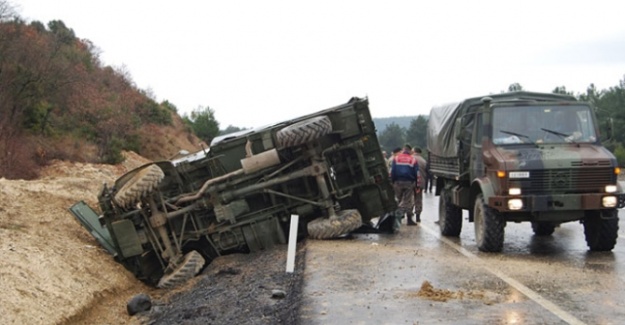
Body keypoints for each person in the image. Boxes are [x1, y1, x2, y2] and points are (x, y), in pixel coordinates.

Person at [390, 144, 419, 233]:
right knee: (407, 201)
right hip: (409, 183)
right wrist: (417, 184)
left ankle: (395, 219)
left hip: (397, 182)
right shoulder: (413, 159)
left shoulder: (396, 158)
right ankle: (408, 219)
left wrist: (393, 181)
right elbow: (417, 173)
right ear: (409, 151)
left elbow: (393, 171)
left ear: (403, 150)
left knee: (397, 200)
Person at [411, 147, 427, 223]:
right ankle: (418, 215)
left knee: (410, 198)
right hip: (420, 183)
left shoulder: (410, 159)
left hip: (410, 182)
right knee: (418, 199)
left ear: (414, 151)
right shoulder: (423, 161)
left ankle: (409, 214)